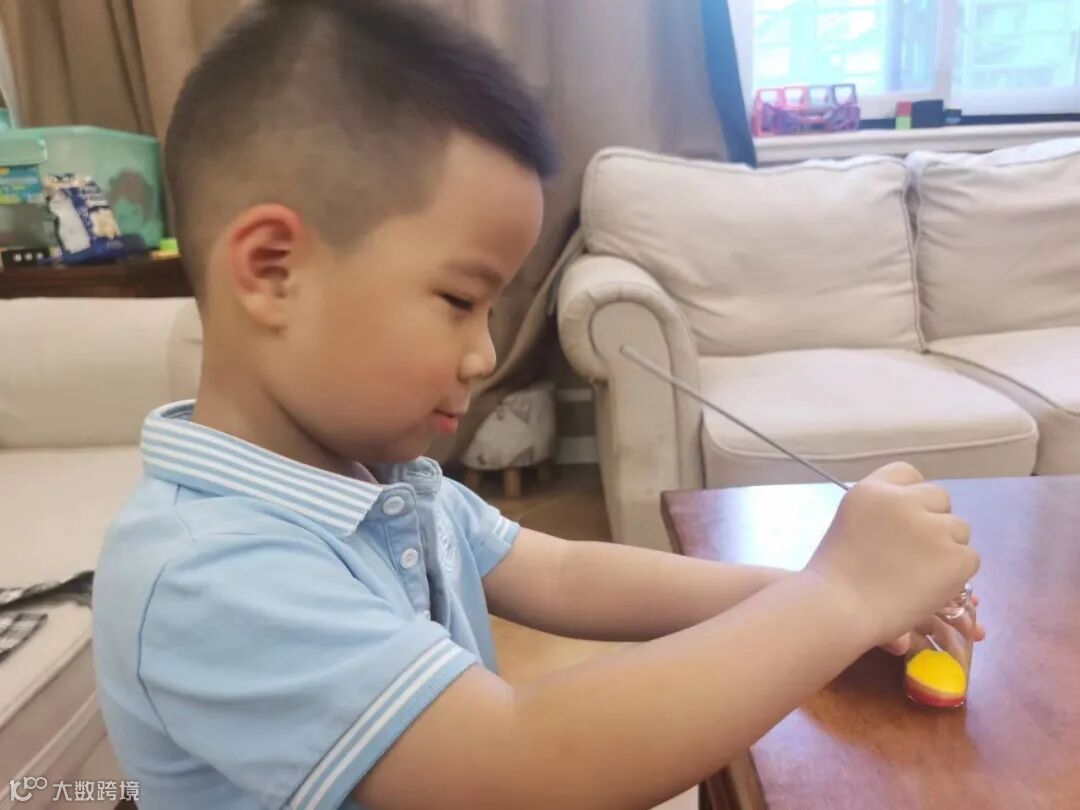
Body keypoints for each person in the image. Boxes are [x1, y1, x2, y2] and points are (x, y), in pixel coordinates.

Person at [92, 1, 982, 807]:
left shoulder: (381, 480)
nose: (484, 354)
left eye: (492, 310)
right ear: (272, 272)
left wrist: (830, 595)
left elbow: (562, 575)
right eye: (457, 299)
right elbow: (512, 763)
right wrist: (836, 598)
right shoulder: (206, 573)